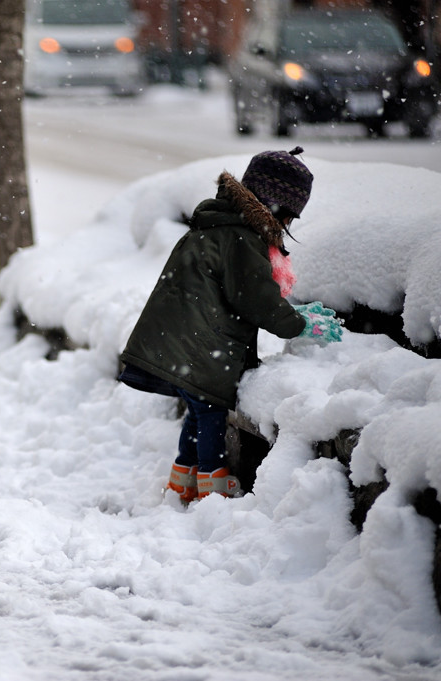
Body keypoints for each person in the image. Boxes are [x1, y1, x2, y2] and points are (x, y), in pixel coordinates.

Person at [118, 147, 343, 502]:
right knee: (209, 415)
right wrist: (299, 324)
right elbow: (256, 300)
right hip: (199, 347)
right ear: (276, 207)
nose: (288, 226)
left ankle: (183, 484)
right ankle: (213, 492)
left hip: (184, 341)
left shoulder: (219, 225)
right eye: (289, 217)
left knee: (197, 414)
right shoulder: (241, 238)